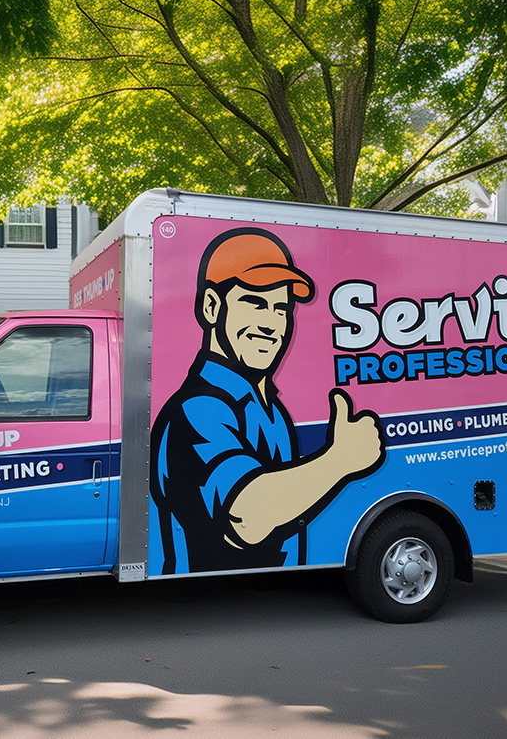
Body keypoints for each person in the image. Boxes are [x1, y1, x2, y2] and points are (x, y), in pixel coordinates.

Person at [150, 227, 385, 574]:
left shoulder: (269, 408)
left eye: (281, 308)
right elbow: (247, 515)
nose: (271, 324)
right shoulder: (198, 408)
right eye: (255, 303)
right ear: (213, 307)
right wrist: (339, 460)